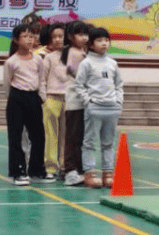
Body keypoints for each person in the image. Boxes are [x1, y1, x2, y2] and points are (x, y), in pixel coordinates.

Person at [74, 27, 124, 189]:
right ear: (91, 44)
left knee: (108, 143)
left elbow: (119, 84)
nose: (104, 43)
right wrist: (88, 101)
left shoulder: (113, 63)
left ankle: (108, 174)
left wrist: (118, 101)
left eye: (106, 40)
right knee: (89, 142)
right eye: (99, 40)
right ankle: (90, 174)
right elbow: (79, 85)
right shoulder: (86, 63)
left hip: (112, 108)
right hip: (94, 108)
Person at [3, 23, 45, 185]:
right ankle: (18, 171)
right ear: (16, 40)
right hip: (17, 98)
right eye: (25, 36)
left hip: (34, 98)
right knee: (16, 136)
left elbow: (41, 79)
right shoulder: (11, 62)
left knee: (38, 136)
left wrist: (41, 96)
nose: (30, 40)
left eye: (32, 36)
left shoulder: (38, 60)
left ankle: (36, 170)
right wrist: (14, 98)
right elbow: (7, 83)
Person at [61, 21, 91, 185]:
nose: (84, 37)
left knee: (79, 136)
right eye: (80, 34)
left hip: (81, 101)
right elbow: (79, 76)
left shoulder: (82, 52)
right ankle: (71, 170)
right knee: (73, 137)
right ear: (71, 37)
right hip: (75, 100)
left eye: (85, 34)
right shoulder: (74, 53)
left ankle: (78, 169)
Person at [39, 24, 69, 181]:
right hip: (52, 99)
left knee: (67, 136)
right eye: (54, 37)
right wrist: (45, 99)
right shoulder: (49, 58)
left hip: (70, 101)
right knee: (51, 135)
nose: (58, 39)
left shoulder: (76, 56)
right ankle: (50, 167)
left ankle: (65, 166)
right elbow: (42, 80)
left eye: (61, 35)